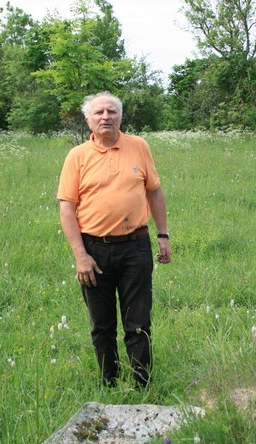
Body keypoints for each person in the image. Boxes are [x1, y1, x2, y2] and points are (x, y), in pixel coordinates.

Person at [57, 91, 171, 388]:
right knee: (102, 325)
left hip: (136, 246)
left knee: (139, 323)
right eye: (99, 113)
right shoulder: (77, 156)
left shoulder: (139, 147)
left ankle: (142, 384)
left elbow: (154, 190)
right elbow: (67, 207)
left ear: (121, 117)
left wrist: (163, 235)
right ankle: (109, 382)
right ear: (88, 120)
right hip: (94, 250)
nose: (106, 116)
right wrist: (81, 256)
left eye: (112, 111)